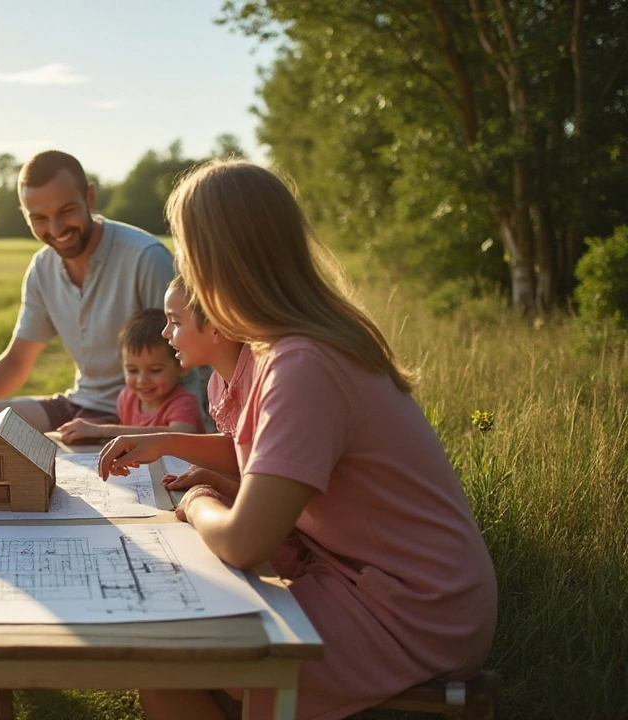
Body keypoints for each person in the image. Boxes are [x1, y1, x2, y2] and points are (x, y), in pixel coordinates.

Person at [97, 160, 497, 720]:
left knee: (172, 657)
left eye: (187, 250)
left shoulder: (301, 364)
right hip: (365, 579)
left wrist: (196, 501)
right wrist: (206, 468)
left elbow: (243, 542)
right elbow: (273, 469)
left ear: (219, 259)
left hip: (413, 611)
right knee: (171, 657)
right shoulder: (281, 349)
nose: (183, 263)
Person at [0, 150, 201, 452]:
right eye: (40, 218)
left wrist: (191, 436)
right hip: (75, 404)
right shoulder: (41, 268)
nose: (56, 229)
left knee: (18, 450)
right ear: (25, 216)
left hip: (129, 418)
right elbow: (16, 362)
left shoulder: (144, 258)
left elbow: (186, 358)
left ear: (89, 197)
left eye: (66, 211)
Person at [157, 275, 253, 497]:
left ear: (216, 324)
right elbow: (237, 457)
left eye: (176, 322)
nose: (165, 332)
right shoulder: (216, 383)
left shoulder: (261, 378)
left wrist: (212, 481)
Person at [55, 308, 203, 444]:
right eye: (132, 370)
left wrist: (103, 430)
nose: (142, 380)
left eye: (155, 370)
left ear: (181, 367)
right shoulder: (127, 398)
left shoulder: (183, 402)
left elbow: (180, 434)